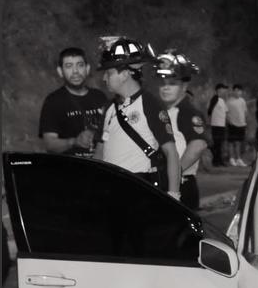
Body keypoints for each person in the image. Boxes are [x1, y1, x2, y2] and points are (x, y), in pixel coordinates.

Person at [92, 36, 182, 201]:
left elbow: (171, 152)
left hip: (140, 188)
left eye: (109, 73)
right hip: (110, 189)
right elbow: (99, 151)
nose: (104, 78)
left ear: (125, 74)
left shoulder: (149, 103)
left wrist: (174, 195)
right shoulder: (109, 108)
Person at [154, 49, 211, 210]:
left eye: (172, 84)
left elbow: (198, 145)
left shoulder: (187, 112)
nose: (166, 88)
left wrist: (174, 173)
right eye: (163, 83)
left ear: (184, 86)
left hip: (181, 185)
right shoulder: (167, 112)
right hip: (169, 183)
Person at [38, 47, 109, 156]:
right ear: (60, 72)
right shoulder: (53, 101)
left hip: (101, 163)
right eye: (69, 66)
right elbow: (50, 144)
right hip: (71, 164)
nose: (75, 71)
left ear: (87, 69)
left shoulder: (100, 97)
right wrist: (74, 141)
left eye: (80, 65)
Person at [226, 83, 249, 166]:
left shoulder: (242, 101)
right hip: (232, 124)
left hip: (241, 124)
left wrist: (244, 121)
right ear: (233, 91)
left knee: (239, 142)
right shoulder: (229, 101)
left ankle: (239, 159)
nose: (237, 92)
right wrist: (229, 121)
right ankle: (231, 159)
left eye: (239, 91)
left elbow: (245, 112)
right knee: (231, 142)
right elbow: (226, 113)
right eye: (236, 91)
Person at [208, 83, 229, 167]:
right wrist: (209, 121)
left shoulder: (222, 100)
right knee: (216, 143)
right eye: (223, 89)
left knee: (220, 144)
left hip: (221, 125)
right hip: (216, 125)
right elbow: (209, 111)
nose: (225, 91)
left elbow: (225, 112)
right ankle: (215, 161)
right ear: (219, 89)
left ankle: (219, 160)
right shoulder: (215, 99)